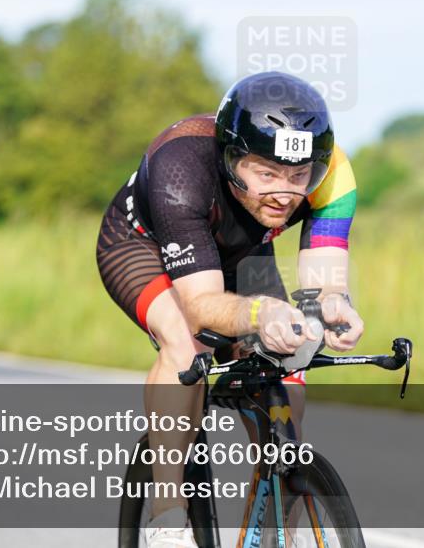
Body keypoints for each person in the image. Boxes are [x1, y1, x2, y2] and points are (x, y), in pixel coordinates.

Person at [96, 71, 364, 547]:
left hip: (243, 257)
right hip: (143, 246)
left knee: (288, 377)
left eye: (299, 177)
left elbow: (325, 281)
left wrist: (333, 309)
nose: (284, 193)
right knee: (186, 343)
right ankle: (168, 512)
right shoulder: (182, 164)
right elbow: (201, 306)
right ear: (231, 159)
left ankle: (273, 535)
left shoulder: (335, 174)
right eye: (266, 174)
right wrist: (260, 314)